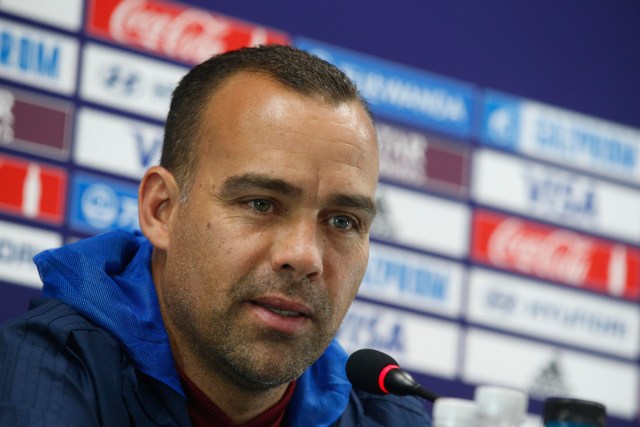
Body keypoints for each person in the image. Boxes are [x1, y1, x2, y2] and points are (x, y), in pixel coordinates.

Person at [0, 45, 430, 426]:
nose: (304, 257)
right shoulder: (34, 379)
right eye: (260, 203)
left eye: (342, 222)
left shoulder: (387, 416)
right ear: (161, 210)